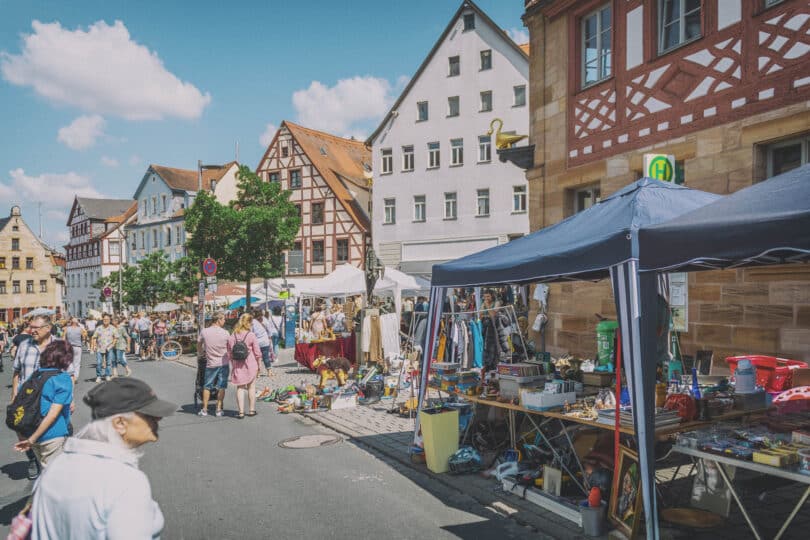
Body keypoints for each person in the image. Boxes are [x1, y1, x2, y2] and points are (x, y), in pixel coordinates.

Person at [30, 378, 175, 539]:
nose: (158, 419)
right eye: (149, 415)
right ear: (120, 423)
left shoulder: (54, 468)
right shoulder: (127, 482)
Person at [12, 341, 74, 468]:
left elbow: (20, 404)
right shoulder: (62, 378)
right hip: (52, 434)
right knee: (55, 477)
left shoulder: (35, 375)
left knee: (45, 472)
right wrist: (32, 439)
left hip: (32, 431)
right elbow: (52, 415)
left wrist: (27, 436)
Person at [11, 315, 57, 480]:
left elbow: (69, 373)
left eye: (36, 327)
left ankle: (49, 468)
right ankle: (32, 459)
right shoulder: (24, 345)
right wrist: (14, 395)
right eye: (31, 327)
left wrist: (70, 397)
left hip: (49, 398)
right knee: (20, 428)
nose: (32, 330)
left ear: (48, 328)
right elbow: (16, 371)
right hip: (25, 398)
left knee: (49, 432)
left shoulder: (58, 346)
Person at [228, 313, 261, 419]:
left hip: (238, 365)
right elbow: (257, 352)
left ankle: (241, 412)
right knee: (251, 387)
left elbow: (229, 352)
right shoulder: (251, 335)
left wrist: (232, 361)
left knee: (240, 388)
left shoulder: (233, 335)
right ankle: (251, 410)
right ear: (248, 323)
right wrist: (259, 365)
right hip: (251, 364)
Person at [197, 312, 230, 417]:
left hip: (210, 363)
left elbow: (198, 344)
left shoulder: (204, 331)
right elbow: (230, 347)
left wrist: (202, 353)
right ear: (218, 320)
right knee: (222, 387)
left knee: (207, 386)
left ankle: (205, 409)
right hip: (224, 363)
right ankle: (218, 409)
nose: (224, 321)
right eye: (223, 319)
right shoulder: (226, 333)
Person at [91, 314, 116, 383]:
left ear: (109, 320)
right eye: (104, 319)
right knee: (99, 363)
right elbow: (94, 337)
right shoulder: (99, 328)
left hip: (109, 347)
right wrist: (93, 346)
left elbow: (116, 337)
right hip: (99, 347)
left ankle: (107, 375)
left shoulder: (113, 328)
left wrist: (113, 344)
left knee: (108, 363)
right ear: (102, 320)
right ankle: (99, 376)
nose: (106, 321)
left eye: (107, 319)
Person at [64, 318, 85, 383]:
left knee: (69, 362)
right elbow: (84, 336)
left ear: (71, 322)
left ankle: (70, 376)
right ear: (77, 322)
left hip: (69, 346)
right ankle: (75, 377)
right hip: (78, 347)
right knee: (77, 363)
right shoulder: (80, 329)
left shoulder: (67, 329)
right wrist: (82, 340)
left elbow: (63, 337)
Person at [251, 310, 272, 376]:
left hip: (256, 342)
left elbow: (251, 332)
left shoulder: (252, 322)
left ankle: (258, 373)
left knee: (257, 358)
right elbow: (269, 330)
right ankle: (269, 372)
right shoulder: (265, 320)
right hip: (265, 341)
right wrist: (269, 337)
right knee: (266, 357)